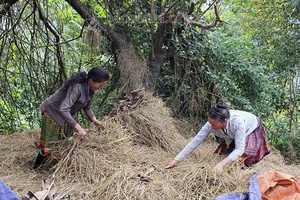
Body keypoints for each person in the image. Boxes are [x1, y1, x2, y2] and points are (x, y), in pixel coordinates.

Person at [33, 67, 110, 169]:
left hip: (67, 116)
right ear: (91, 80)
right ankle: (37, 168)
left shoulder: (90, 90)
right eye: (100, 85)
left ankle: (54, 166)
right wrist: (78, 127)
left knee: (63, 142)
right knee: (50, 144)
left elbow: (87, 107)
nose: (100, 87)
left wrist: (94, 120)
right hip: (53, 113)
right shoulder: (77, 87)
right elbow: (63, 109)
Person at [164, 103, 271, 172]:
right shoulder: (210, 124)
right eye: (210, 123)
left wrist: (221, 164)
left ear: (224, 121)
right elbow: (195, 141)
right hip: (231, 132)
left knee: (244, 157)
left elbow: (239, 149)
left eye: (214, 124)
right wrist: (176, 160)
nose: (211, 126)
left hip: (252, 127)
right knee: (227, 154)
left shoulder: (238, 123)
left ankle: (243, 171)